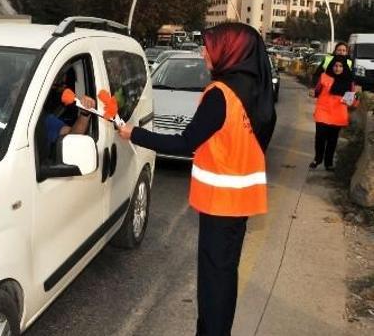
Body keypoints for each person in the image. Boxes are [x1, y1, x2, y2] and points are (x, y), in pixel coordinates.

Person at [118, 23, 276, 336]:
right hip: (241, 202)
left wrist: (133, 133)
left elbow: (184, 143)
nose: (204, 52)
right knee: (225, 275)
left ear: (229, 52)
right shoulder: (255, 90)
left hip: (220, 204)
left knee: (212, 282)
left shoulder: (221, 95)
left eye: (211, 47)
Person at [309, 55, 358, 170]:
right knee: (320, 137)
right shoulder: (324, 76)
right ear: (332, 66)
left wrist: (352, 102)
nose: (337, 68)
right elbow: (317, 91)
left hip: (338, 113)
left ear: (344, 68)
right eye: (336, 65)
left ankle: (328, 163)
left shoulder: (349, 81)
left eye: (340, 66)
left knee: (332, 139)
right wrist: (313, 93)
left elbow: (353, 98)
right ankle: (317, 159)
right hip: (323, 110)